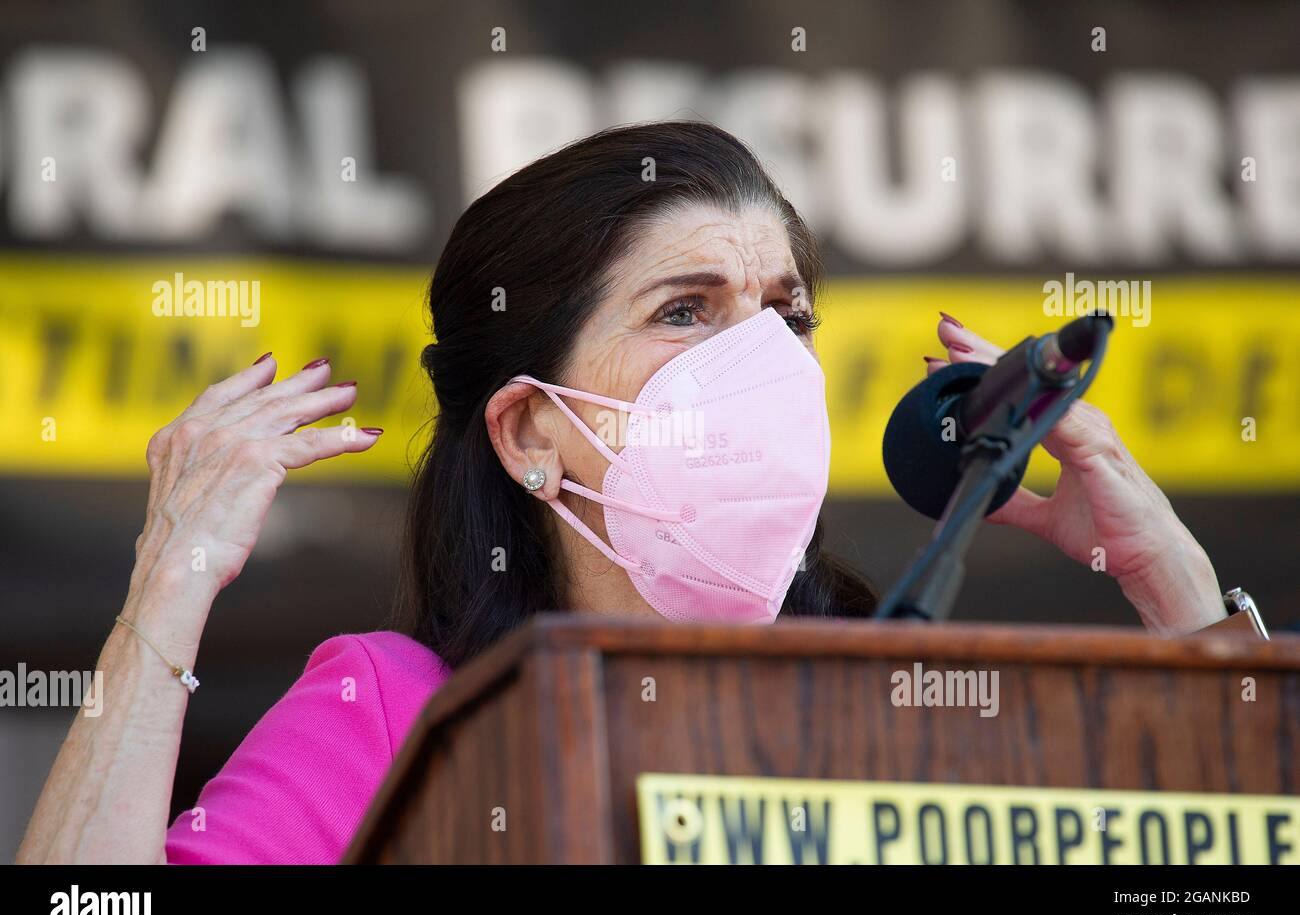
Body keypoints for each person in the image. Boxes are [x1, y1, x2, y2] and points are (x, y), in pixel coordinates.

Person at [17, 122, 1226, 864]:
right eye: (685, 311)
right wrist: (165, 588)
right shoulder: (395, 712)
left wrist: (1167, 579)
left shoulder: (908, 705)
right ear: (531, 431)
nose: (762, 362)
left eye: (785, 314)